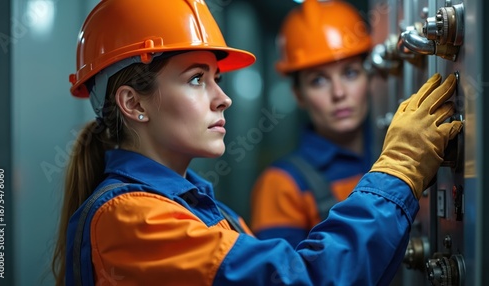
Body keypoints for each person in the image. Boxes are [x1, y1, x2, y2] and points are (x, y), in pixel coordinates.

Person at [51, 0, 463, 285]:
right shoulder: (133, 220)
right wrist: (400, 168)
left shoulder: (189, 205)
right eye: (196, 79)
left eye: (218, 79)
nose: (223, 98)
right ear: (132, 103)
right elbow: (305, 279)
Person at [250, 0, 377, 247]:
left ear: (369, 77)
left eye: (350, 73)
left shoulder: (393, 150)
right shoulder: (282, 184)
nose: (339, 93)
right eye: (319, 81)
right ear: (299, 95)